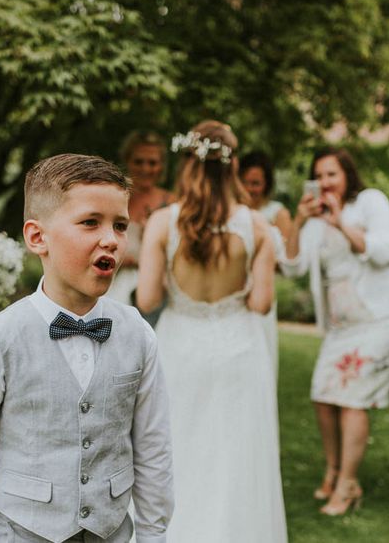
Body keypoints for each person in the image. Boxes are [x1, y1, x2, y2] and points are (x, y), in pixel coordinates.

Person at [0, 154, 173, 543]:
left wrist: (153, 535)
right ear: (37, 237)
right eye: (89, 223)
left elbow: (153, 446)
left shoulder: (138, 333)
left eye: (120, 226)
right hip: (21, 531)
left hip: (110, 531)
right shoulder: (0, 338)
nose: (110, 240)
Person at [137, 121, 287, 542]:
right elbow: (260, 304)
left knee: (176, 451)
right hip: (239, 350)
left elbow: (147, 299)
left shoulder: (164, 222)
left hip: (179, 347)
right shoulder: (257, 225)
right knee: (237, 457)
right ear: (233, 166)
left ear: (187, 163)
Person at [281, 146, 389, 515]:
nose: (325, 182)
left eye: (332, 174)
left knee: (353, 400)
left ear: (347, 175)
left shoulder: (369, 202)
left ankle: (348, 485)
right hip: (342, 326)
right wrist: (298, 220)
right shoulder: (312, 220)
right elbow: (292, 267)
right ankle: (334, 468)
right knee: (323, 395)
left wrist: (341, 221)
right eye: (319, 175)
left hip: (382, 316)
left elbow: (386, 251)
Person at [107, 131, 174, 324]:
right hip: (113, 284)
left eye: (152, 163)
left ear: (161, 166)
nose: (146, 168)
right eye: (139, 161)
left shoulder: (171, 203)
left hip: (156, 288)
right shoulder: (114, 199)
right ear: (127, 161)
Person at [239, 150, 293, 370]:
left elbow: (287, 260)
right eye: (246, 182)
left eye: (256, 183)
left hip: (261, 290)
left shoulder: (277, 213)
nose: (250, 189)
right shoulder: (231, 212)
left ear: (266, 184)